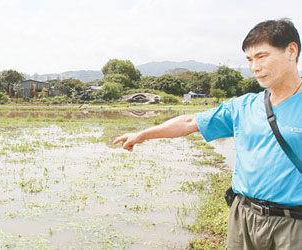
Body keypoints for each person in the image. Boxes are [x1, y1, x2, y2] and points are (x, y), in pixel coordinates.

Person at [113, 18, 302, 250]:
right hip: (243, 218)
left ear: (291, 51)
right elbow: (190, 121)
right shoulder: (244, 106)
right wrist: (143, 134)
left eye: (262, 57)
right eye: (250, 60)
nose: (254, 67)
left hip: (292, 225)